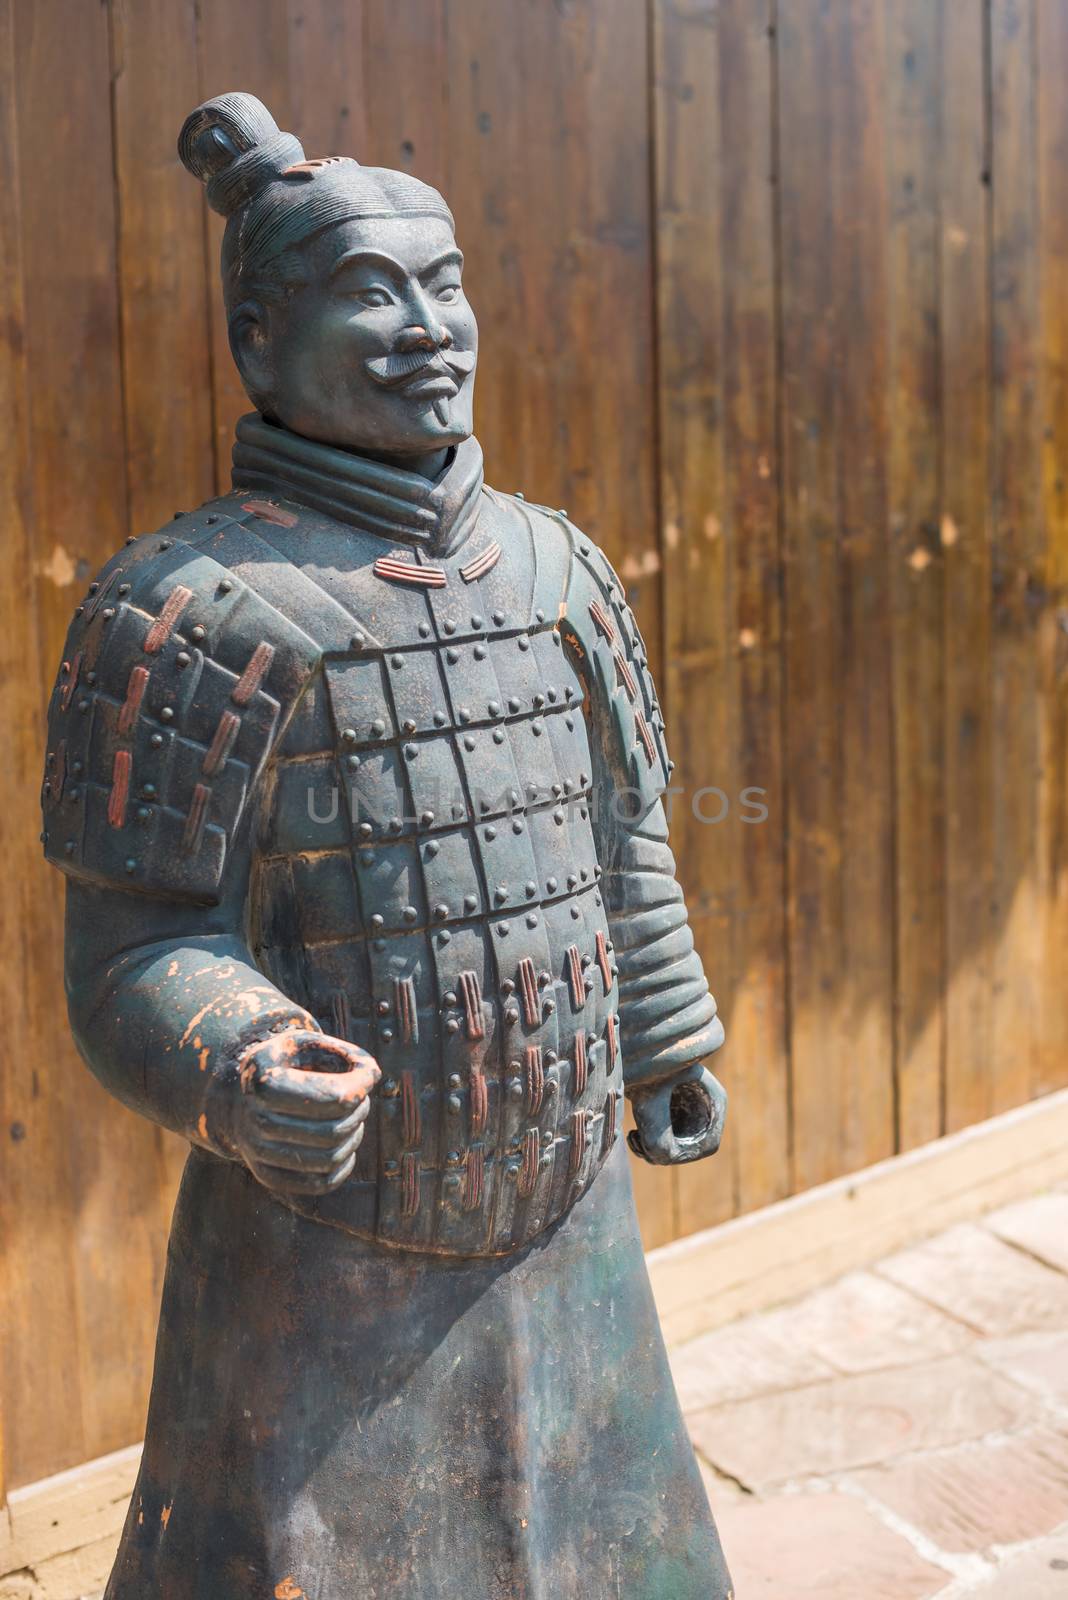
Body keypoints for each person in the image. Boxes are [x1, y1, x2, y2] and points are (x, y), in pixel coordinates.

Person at [40, 91, 732, 1599]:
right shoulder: (189, 607)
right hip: (318, 1247)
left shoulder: (558, 563)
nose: (430, 327)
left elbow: (619, 836)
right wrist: (240, 1061)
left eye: (447, 282)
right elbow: (136, 944)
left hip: (564, 1210)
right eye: (373, 290)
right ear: (258, 341)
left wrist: (668, 1037)